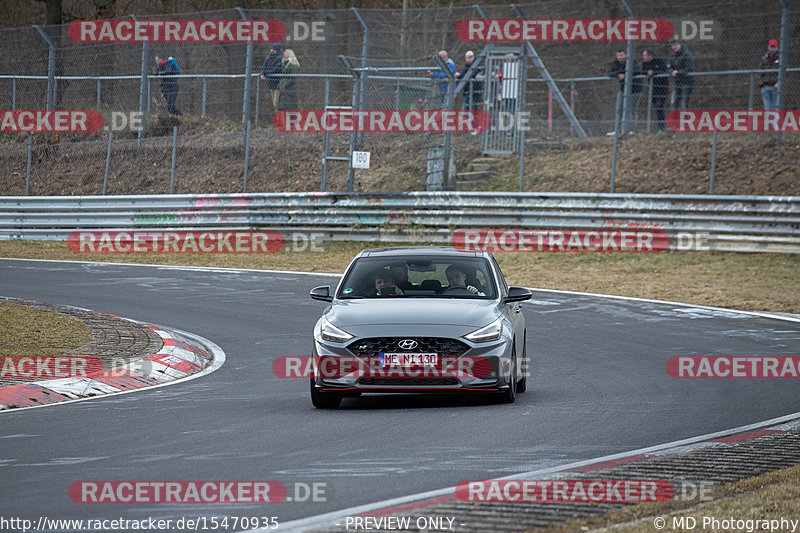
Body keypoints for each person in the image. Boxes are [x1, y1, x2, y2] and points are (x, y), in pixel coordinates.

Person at [607, 49, 642, 136]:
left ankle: (631, 130)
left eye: (621, 55)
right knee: (619, 109)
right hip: (623, 89)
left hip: (635, 90)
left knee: (631, 110)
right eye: (618, 55)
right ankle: (618, 130)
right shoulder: (616, 63)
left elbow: (637, 71)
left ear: (626, 55)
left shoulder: (631, 61)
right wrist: (618, 74)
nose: (620, 57)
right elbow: (610, 73)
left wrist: (626, 75)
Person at [455, 50, 484, 135]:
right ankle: (472, 127)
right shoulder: (467, 66)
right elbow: (464, 75)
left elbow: (471, 75)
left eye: (469, 58)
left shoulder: (477, 65)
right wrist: (459, 76)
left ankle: (476, 127)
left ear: (473, 57)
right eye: (466, 58)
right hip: (467, 91)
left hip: (475, 92)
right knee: (465, 111)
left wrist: (460, 76)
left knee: (473, 111)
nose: (467, 60)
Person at [641, 49, 669, 132]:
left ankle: (662, 127)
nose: (643, 57)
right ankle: (658, 126)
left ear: (650, 56)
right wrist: (647, 72)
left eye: (645, 55)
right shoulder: (644, 63)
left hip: (662, 88)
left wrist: (653, 72)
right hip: (653, 89)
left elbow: (663, 70)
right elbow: (642, 71)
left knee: (659, 106)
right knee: (656, 107)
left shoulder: (659, 61)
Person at [668, 39, 695, 110]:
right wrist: (671, 72)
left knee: (684, 104)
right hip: (677, 83)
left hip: (687, 82)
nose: (674, 47)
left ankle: (686, 120)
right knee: (673, 103)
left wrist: (678, 72)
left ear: (680, 45)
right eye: (672, 45)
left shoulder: (687, 54)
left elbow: (689, 68)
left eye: (676, 45)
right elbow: (669, 67)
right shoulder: (672, 56)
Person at [260, 43, 283, 111]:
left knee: (276, 102)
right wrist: (262, 73)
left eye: (274, 49)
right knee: (274, 102)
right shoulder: (268, 57)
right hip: (271, 83)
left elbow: (276, 69)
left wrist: (266, 73)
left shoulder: (280, 58)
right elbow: (264, 67)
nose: (271, 50)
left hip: (278, 83)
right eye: (272, 49)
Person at [759, 39, 780, 111]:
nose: (772, 49)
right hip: (765, 87)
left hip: (775, 87)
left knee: (776, 108)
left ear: (777, 48)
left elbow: (785, 72)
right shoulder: (764, 59)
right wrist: (761, 85)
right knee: (767, 108)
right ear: (768, 47)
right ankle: (769, 122)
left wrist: (779, 82)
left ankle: (775, 122)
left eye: (774, 47)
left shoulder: (781, 58)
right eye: (771, 47)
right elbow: (760, 73)